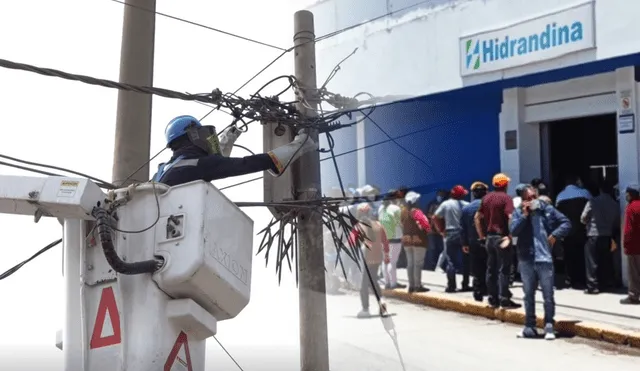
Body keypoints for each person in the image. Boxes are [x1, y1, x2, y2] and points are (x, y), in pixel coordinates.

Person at [152, 115, 317, 186]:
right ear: (193, 136)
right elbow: (244, 164)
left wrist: (228, 140)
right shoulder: (198, 165)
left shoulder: (161, 171)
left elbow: (216, 164)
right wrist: (300, 145)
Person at [511, 185, 571, 340]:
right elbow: (513, 231)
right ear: (523, 200)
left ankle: (549, 325)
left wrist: (555, 235)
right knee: (528, 294)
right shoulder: (518, 211)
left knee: (548, 295)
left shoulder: (547, 210)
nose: (531, 201)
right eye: (527, 199)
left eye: (533, 197)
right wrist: (524, 215)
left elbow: (566, 222)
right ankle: (529, 326)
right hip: (526, 258)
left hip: (544, 258)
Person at [474, 173, 520, 309]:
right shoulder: (506, 198)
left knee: (491, 269)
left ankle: (492, 298)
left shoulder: (486, 198)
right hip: (502, 237)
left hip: (489, 237)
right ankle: (504, 298)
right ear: (505, 185)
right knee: (504, 269)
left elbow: (477, 218)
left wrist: (482, 236)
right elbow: (511, 216)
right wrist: (511, 235)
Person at [348, 204, 390, 317]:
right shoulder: (378, 224)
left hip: (365, 258)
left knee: (364, 284)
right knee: (373, 281)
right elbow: (385, 242)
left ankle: (365, 309)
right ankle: (382, 303)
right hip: (377, 257)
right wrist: (386, 255)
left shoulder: (358, 226)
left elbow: (351, 242)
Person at [581, 181, 620, 294]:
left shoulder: (593, 201)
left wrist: (587, 223)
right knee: (605, 260)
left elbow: (583, 217)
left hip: (593, 234)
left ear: (600, 190)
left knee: (591, 261)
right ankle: (606, 283)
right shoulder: (614, 204)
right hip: (607, 235)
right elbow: (617, 221)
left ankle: (592, 287)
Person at [555, 174, 592, 288]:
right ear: (576, 182)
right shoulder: (585, 193)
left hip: (567, 233)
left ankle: (570, 279)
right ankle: (582, 280)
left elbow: (557, 216)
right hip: (582, 230)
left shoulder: (560, 196)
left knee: (569, 257)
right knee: (582, 256)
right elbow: (591, 209)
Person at [434, 185, 470, 293]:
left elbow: (435, 217)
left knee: (451, 261)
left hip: (450, 233)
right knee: (466, 260)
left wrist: (441, 230)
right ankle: (465, 284)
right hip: (463, 234)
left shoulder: (445, 204)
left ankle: (451, 286)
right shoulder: (467, 205)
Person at [461, 182, 489, 302]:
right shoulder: (489, 206)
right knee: (490, 266)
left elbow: (463, 228)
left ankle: (478, 291)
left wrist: (464, 243)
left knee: (477, 268)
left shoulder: (466, 208)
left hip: (473, 242)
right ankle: (489, 290)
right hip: (488, 240)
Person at [401, 191, 432, 293]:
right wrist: (428, 231)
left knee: (410, 264)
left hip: (406, 240)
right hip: (418, 241)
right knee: (417, 264)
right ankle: (417, 285)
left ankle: (411, 285)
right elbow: (426, 224)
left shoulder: (403, 212)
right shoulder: (417, 212)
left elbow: (401, 224)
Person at [378, 190, 406, 289]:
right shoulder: (396, 208)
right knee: (392, 262)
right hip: (395, 238)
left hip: (383, 238)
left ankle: (387, 283)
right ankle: (393, 284)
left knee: (385, 261)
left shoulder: (381, 208)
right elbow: (400, 223)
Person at [621, 185, 640, 305]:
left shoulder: (631, 207)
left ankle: (633, 296)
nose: (625, 196)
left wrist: (626, 244)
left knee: (633, 273)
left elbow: (629, 229)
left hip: (634, 245)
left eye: (627, 194)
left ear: (631, 194)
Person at [426, 189, 448, 271]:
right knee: (433, 249)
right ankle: (432, 266)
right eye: (440, 194)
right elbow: (430, 216)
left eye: (442, 195)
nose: (441, 196)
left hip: (441, 231)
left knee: (442, 249)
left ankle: (440, 266)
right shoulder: (432, 204)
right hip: (433, 231)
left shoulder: (444, 204)